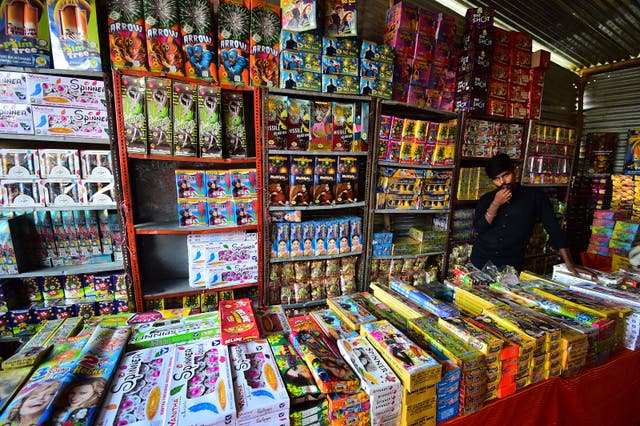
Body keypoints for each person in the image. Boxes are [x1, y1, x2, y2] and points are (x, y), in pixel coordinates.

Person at [471, 153, 595, 276]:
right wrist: (495, 204)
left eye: (506, 175)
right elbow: (480, 227)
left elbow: (553, 228)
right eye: (496, 179)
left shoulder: (535, 197)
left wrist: (569, 263)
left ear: (515, 170)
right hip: (480, 261)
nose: (502, 181)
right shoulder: (487, 199)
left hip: (509, 266)